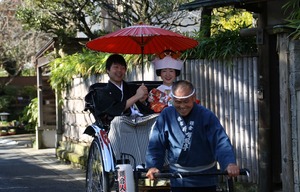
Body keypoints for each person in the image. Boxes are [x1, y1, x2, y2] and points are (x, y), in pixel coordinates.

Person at [145, 80, 240, 192]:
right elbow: (156, 143)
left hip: (205, 177)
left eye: (186, 101)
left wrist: (229, 163)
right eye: (178, 102)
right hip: (178, 177)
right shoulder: (167, 115)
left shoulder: (206, 115)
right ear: (172, 99)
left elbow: (220, 141)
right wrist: (153, 166)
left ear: (194, 98)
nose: (182, 106)